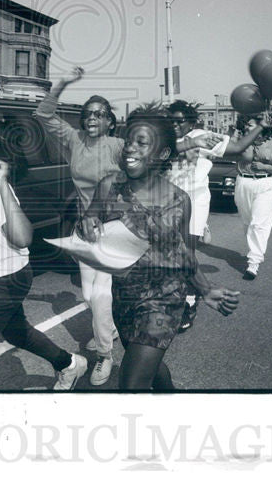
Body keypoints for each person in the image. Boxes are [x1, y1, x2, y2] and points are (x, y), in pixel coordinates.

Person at [79, 105, 239, 390]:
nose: (131, 148)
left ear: (162, 154)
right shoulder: (109, 187)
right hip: (125, 296)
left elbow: (184, 254)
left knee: (131, 385)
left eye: (142, 143)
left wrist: (205, 289)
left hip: (164, 299)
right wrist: (88, 224)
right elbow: (89, 218)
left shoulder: (178, 200)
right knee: (148, 369)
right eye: (129, 140)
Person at [0, 121, 86, 391]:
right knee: (16, 332)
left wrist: (1, 183)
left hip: (5, 279)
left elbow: (23, 238)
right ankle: (69, 364)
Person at [34, 66, 126, 387]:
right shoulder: (75, 140)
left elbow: (146, 160)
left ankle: (105, 354)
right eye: (87, 113)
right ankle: (110, 329)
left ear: (110, 121)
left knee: (100, 295)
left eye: (99, 114)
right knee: (88, 293)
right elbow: (43, 113)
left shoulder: (117, 146)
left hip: (113, 229)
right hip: (84, 230)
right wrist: (63, 83)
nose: (91, 118)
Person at [166, 100, 221, 333]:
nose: (175, 125)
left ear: (191, 121)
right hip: (169, 203)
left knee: (186, 254)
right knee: (168, 254)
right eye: (171, 120)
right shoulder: (165, 139)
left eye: (180, 121)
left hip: (195, 202)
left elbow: (237, 149)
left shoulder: (202, 135)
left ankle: (190, 301)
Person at [214, 112, 272, 281]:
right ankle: (254, 252)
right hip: (243, 183)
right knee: (248, 223)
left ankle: (253, 263)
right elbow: (223, 150)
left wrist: (264, 166)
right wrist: (230, 133)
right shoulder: (241, 145)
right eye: (246, 125)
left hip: (265, 184)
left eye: (250, 125)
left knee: (258, 223)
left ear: (261, 127)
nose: (246, 127)